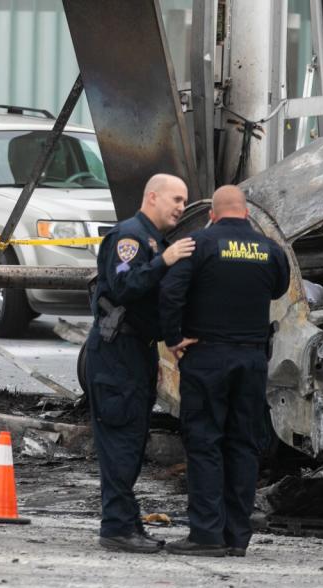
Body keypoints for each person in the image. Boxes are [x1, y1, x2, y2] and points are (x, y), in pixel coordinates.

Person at [159, 185, 290, 557]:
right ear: (247, 213)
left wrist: (173, 338)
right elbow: (279, 289)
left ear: (213, 214)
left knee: (204, 442)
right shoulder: (270, 250)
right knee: (243, 445)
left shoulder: (198, 244)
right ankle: (237, 536)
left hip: (207, 357)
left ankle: (206, 534)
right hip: (251, 361)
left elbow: (170, 293)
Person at [85, 173, 195, 553]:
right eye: (176, 199)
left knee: (131, 439)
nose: (181, 207)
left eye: (184, 201)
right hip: (117, 355)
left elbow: (155, 302)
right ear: (152, 196)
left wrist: (174, 337)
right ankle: (116, 528)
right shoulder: (130, 237)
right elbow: (123, 287)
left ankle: (126, 523)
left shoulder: (154, 240)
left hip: (138, 352)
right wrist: (163, 260)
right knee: (120, 441)